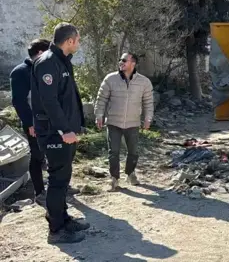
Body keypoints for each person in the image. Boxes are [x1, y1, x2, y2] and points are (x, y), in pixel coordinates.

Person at [31, 22, 88, 244]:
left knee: (63, 179)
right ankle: (56, 230)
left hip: (65, 132)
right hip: (55, 133)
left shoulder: (62, 61)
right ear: (70, 41)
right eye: (78, 40)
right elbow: (49, 101)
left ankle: (63, 219)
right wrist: (64, 129)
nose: (79, 43)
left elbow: (66, 98)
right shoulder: (48, 63)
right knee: (57, 180)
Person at [94, 52, 154, 191]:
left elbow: (148, 102)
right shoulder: (110, 79)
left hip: (133, 123)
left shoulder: (144, 82)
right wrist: (99, 115)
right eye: (120, 60)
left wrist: (147, 118)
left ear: (133, 63)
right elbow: (101, 99)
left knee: (133, 151)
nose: (121, 62)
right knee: (113, 152)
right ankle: (114, 179)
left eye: (124, 60)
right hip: (114, 122)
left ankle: (130, 173)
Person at [10, 39, 51, 204]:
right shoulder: (20, 72)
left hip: (50, 121)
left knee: (54, 155)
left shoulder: (44, 70)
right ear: (41, 53)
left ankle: (59, 186)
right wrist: (29, 123)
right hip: (34, 124)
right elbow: (19, 101)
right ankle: (40, 192)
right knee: (37, 157)